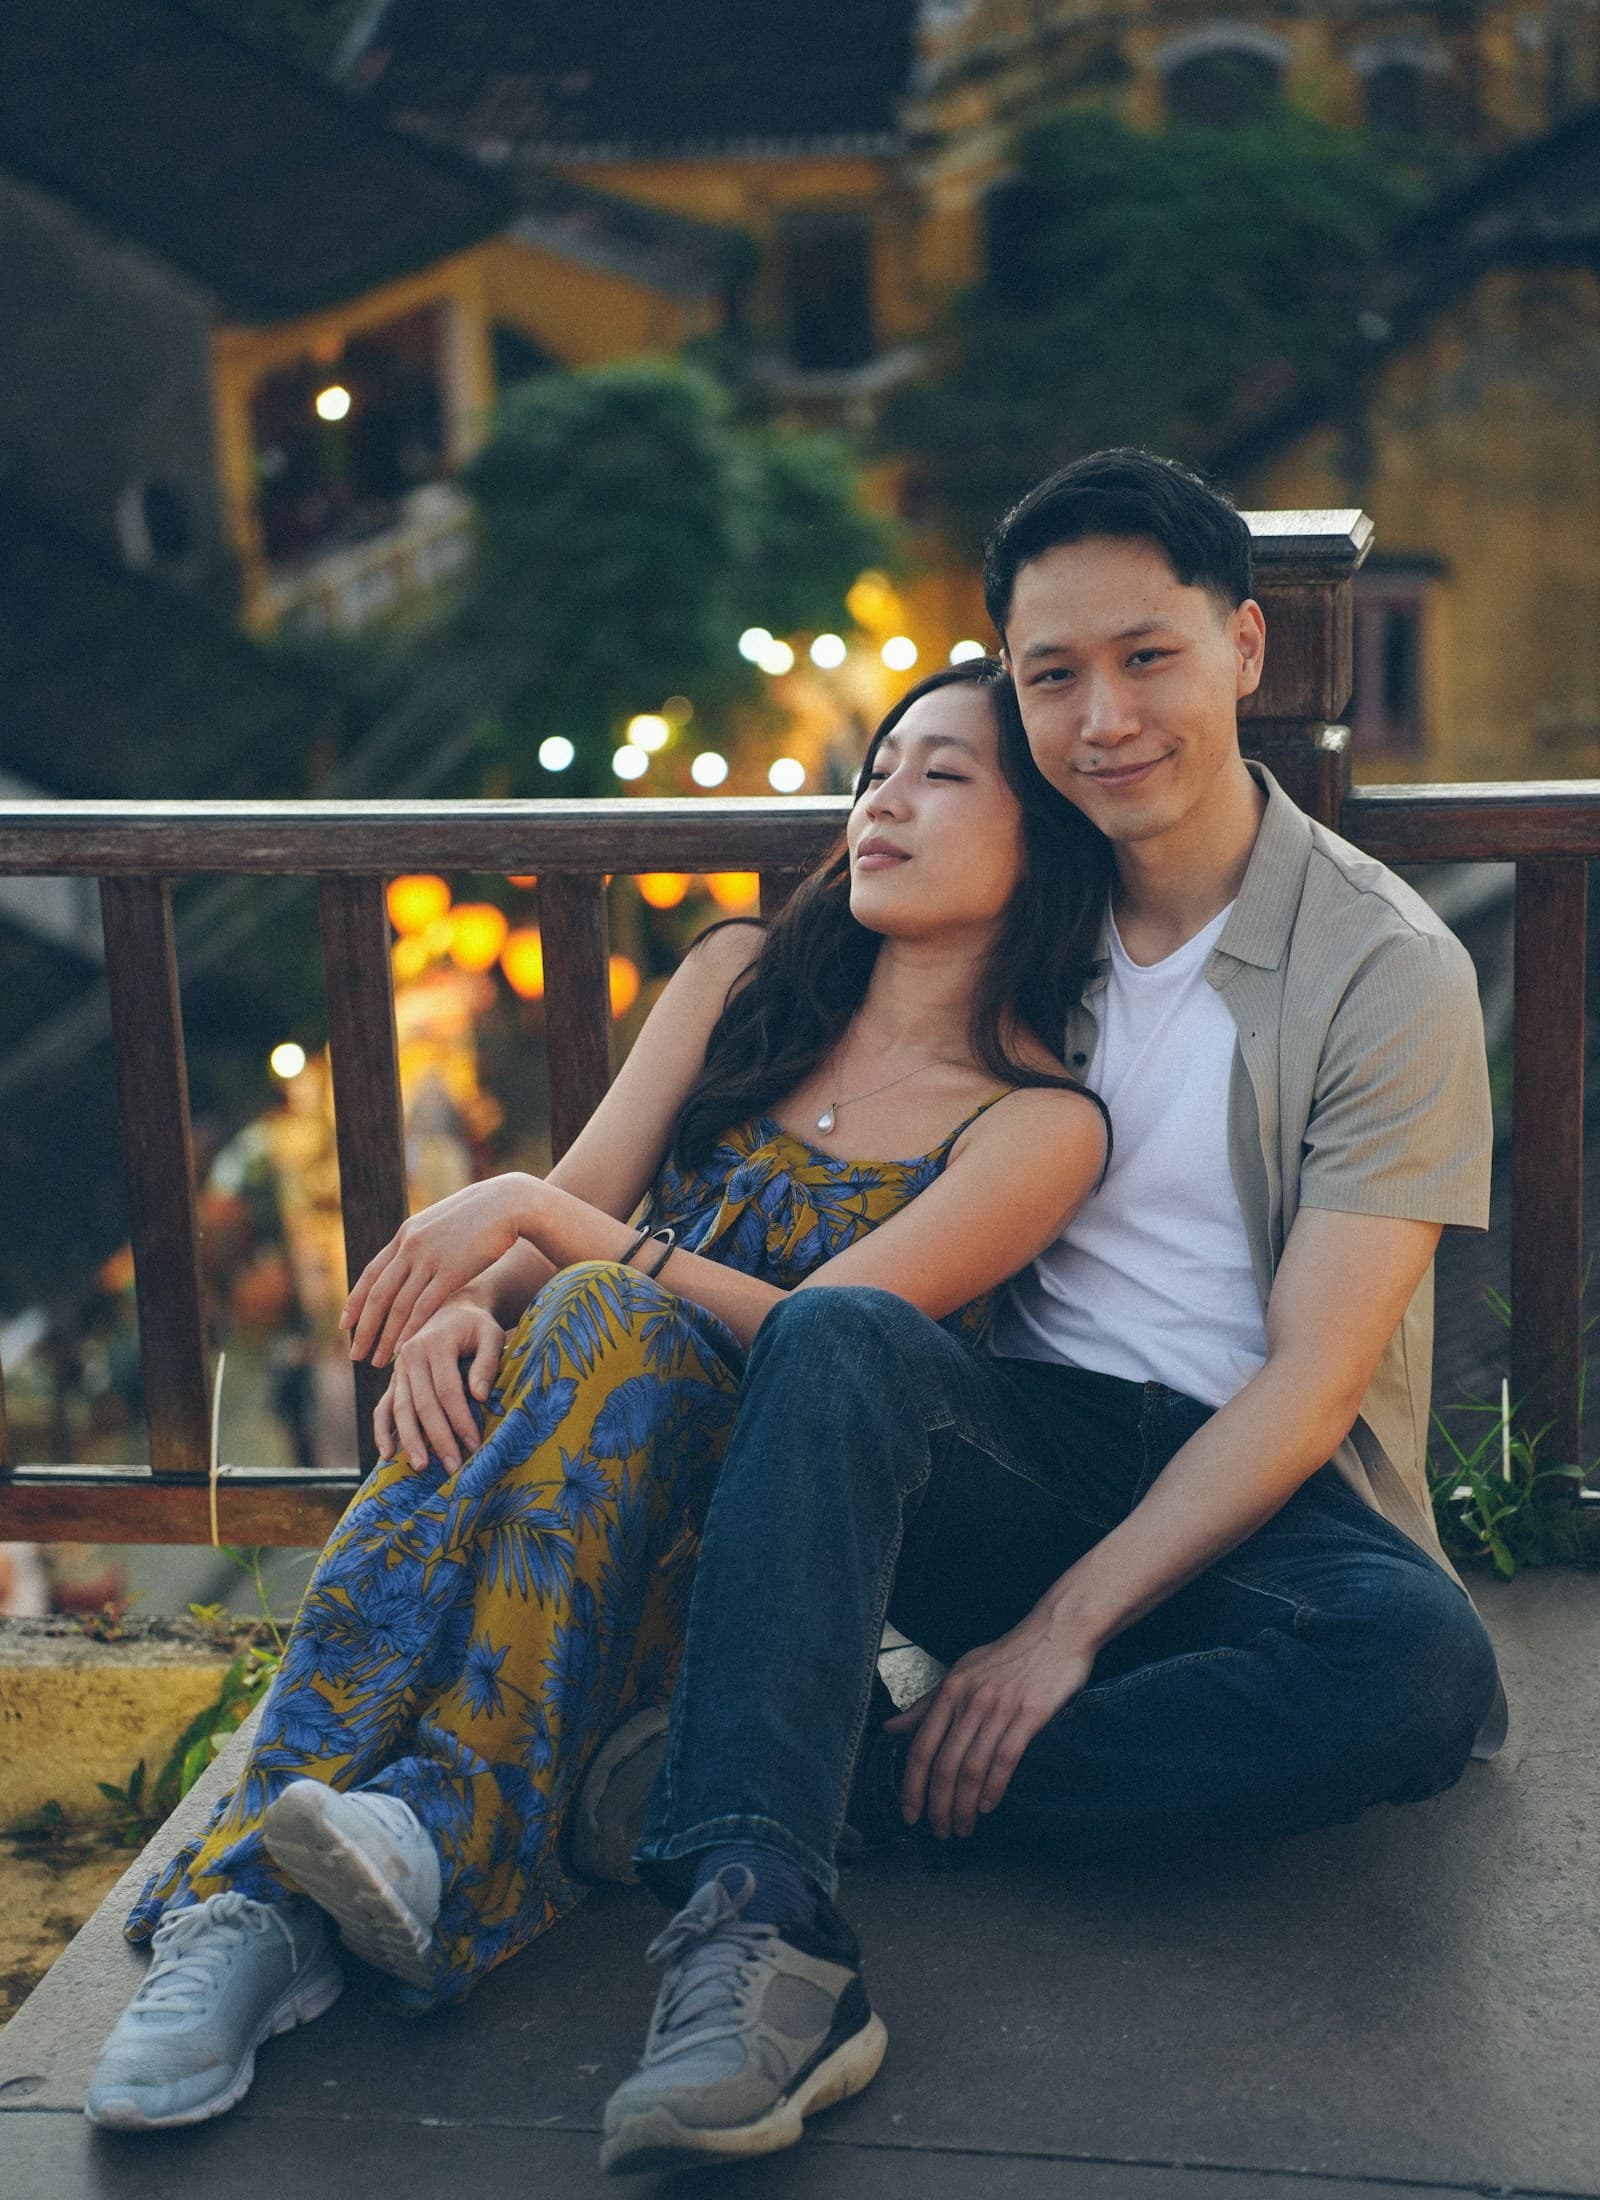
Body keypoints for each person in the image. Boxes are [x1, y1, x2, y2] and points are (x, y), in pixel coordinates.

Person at [599, 450, 1502, 2178]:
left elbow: (1312, 1383)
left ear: (1245, 646)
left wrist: (1062, 1632)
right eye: (1052, 675)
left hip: (1262, 1491)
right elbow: (792, 1027)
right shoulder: (1006, 921)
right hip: (992, 1443)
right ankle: (756, 1924)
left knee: (1419, 1675)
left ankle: (854, 1776)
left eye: (1148, 657)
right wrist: (523, 1249)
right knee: (843, 1334)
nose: (1104, 719)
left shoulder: (1383, 971)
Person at [84, 657, 1113, 2131]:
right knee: (554, 1325)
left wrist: (549, 1241)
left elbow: (825, 1341)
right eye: (880, 764)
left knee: (606, 1311)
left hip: (733, 1579)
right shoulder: (743, 975)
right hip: (543, 1482)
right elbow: (578, 1204)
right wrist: (468, 1308)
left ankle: (365, 1858)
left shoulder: (1038, 1128)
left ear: (1048, 842)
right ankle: (267, 1911)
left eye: (943, 776)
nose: (883, 797)